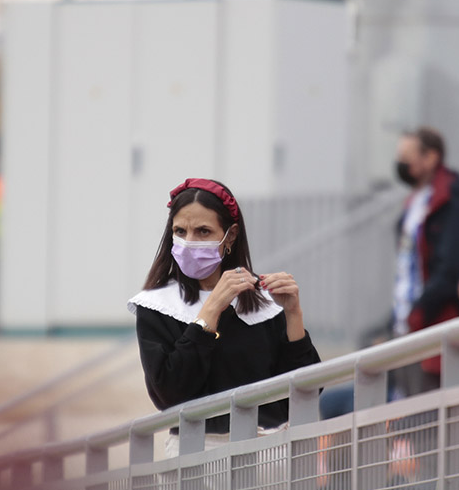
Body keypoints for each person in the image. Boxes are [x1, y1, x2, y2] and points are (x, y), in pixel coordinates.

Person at [127, 178, 321, 454]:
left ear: (230, 236)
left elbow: (307, 391)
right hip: (197, 453)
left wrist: (293, 313)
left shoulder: (263, 300)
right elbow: (169, 395)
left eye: (203, 231)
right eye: (180, 231)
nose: (189, 242)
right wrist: (211, 309)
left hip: (271, 451)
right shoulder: (156, 305)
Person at [391, 126, 459, 396]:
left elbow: (452, 268)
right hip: (409, 324)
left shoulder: (451, 202)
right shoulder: (414, 203)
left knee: (430, 411)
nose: (400, 163)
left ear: (431, 157)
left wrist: (418, 313)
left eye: (407, 156)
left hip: (434, 324)